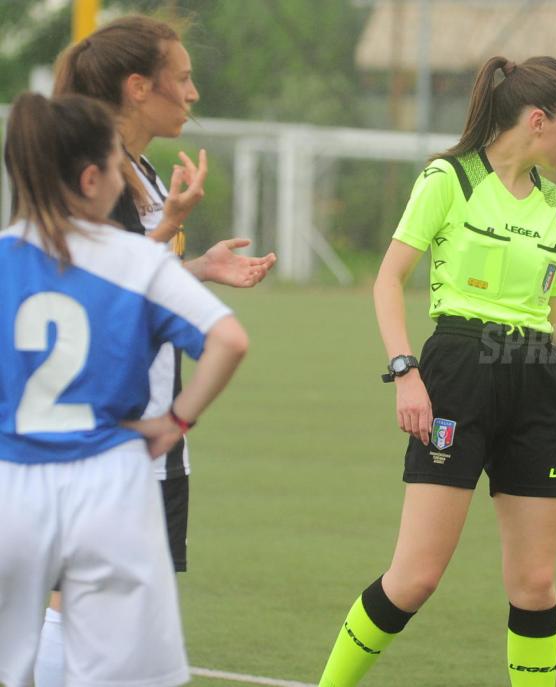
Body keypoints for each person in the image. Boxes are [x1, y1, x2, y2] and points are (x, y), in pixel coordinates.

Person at [317, 55, 556, 687]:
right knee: (415, 579)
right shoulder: (448, 179)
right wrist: (406, 371)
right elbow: (388, 280)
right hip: (458, 377)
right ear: (538, 120)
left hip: (537, 388)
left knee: (536, 585)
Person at [32, 17, 277, 684]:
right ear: (140, 87)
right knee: (83, 612)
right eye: (183, 78)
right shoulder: (90, 173)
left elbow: (135, 280)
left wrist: (194, 267)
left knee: (121, 615)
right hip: (108, 425)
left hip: (149, 421)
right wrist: (167, 229)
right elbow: (93, 287)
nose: (193, 94)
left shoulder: (137, 170)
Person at [0, 92, 247, 687]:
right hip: (107, 484)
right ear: (91, 180)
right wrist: (176, 421)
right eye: (118, 168)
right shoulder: (135, 260)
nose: (126, 181)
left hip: (12, 485)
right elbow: (229, 341)